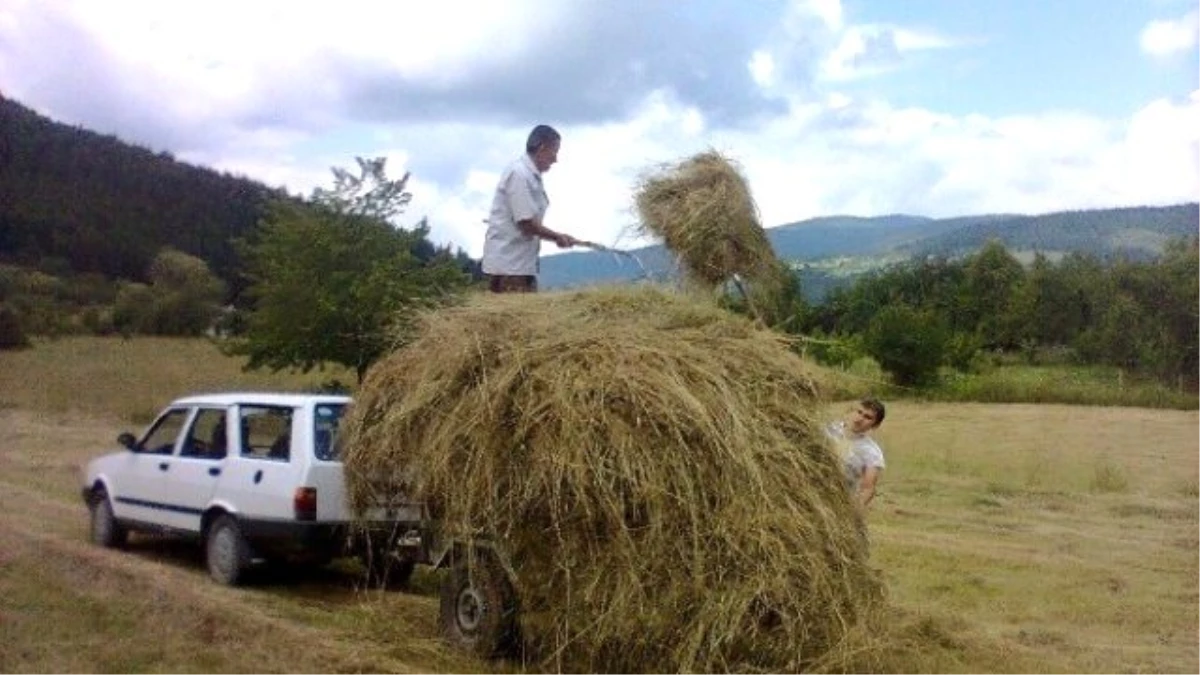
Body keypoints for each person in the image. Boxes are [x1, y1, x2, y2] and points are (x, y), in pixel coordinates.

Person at [481, 124, 581, 293]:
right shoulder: (519, 174)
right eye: (554, 152)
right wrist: (557, 237)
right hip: (510, 267)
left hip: (521, 264)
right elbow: (526, 223)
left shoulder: (530, 176)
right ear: (542, 148)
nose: (555, 159)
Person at [826, 398, 886, 508]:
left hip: (838, 502)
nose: (859, 419)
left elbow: (868, 488)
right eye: (859, 412)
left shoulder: (871, 452)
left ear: (875, 425)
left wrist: (854, 512)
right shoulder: (828, 429)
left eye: (867, 417)